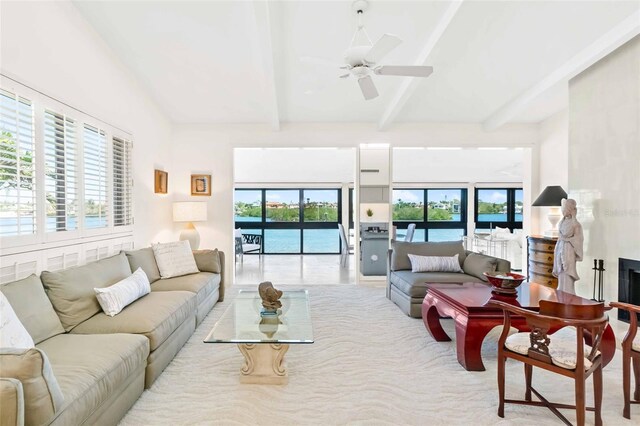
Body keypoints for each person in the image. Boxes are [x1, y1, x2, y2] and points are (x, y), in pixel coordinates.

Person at [552, 198, 584, 294]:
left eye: (565, 209)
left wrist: (567, 240)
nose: (563, 211)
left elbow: (579, 238)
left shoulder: (576, 224)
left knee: (567, 272)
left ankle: (568, 294)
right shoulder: (561, 222)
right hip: (560, 248)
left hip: (569, 249)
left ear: (569, 210)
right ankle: (561, 292)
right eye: (562, 209)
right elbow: (560, 236)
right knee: (561, 270)